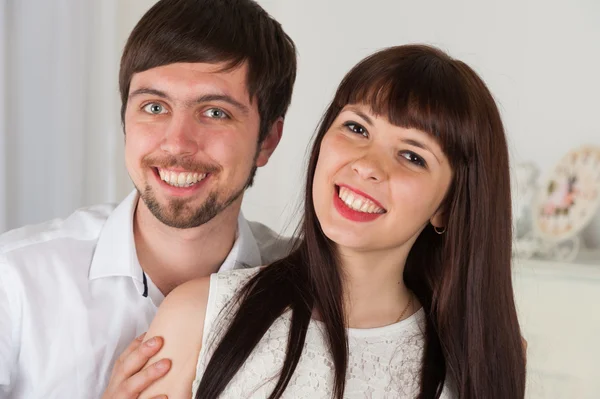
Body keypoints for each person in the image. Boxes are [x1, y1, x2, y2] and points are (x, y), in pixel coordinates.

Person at [135, 44, 528, 399]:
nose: (367, 165)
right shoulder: (197, 318)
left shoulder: (478, 365)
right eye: (356, 128)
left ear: (447, 205)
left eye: (412, 156)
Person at [0, 0, 296, 398]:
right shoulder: (14, 279)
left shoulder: (303, 281)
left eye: (215, 113)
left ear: (267, 141)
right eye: (154, 107)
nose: (176, 143)